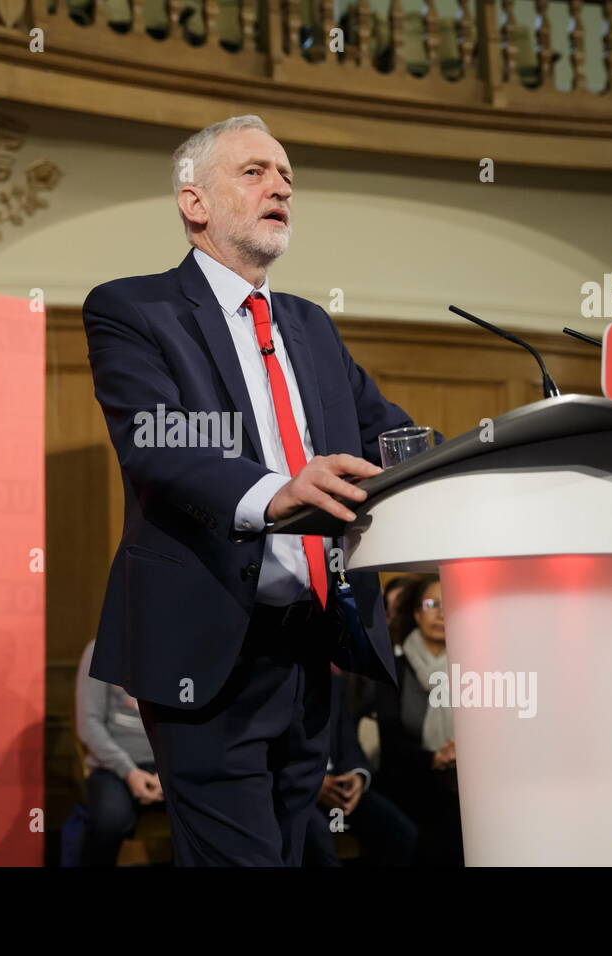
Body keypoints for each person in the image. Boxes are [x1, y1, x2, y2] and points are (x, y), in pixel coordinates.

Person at [82, 114, 417, 866]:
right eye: (255, 172)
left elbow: (389, 435)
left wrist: (483, 453)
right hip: (207, 648)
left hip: (312, 649)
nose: (282, 187)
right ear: (193, 202)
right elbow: (157, 440)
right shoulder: (134, 309)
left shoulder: (310, 326)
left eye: (287, 175)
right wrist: (274, 493)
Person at [367, 574, 464, 866]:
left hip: (463, 783)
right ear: (417, 613)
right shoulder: (393, 670)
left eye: (452, 605)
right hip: (410, 782)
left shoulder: (474, 667)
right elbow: (391, 738)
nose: (442, 613)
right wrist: (435, 757)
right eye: (433, 604)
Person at [303, 666, 419, 867]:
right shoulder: (279, 680)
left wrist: (357, 776)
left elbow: (349, 744)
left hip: (339, 786)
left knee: (401, 832)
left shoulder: (333, 681)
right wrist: (313, 782)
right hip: (298, 789)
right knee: (321, 847)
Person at [74, 639, 163, 866]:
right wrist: (128, 771)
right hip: (113, 766)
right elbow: (89, 723)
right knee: (109, 822)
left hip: (168, 765)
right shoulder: (100, 649)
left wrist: (170, 771)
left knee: (208, 816)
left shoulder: (173, 648)